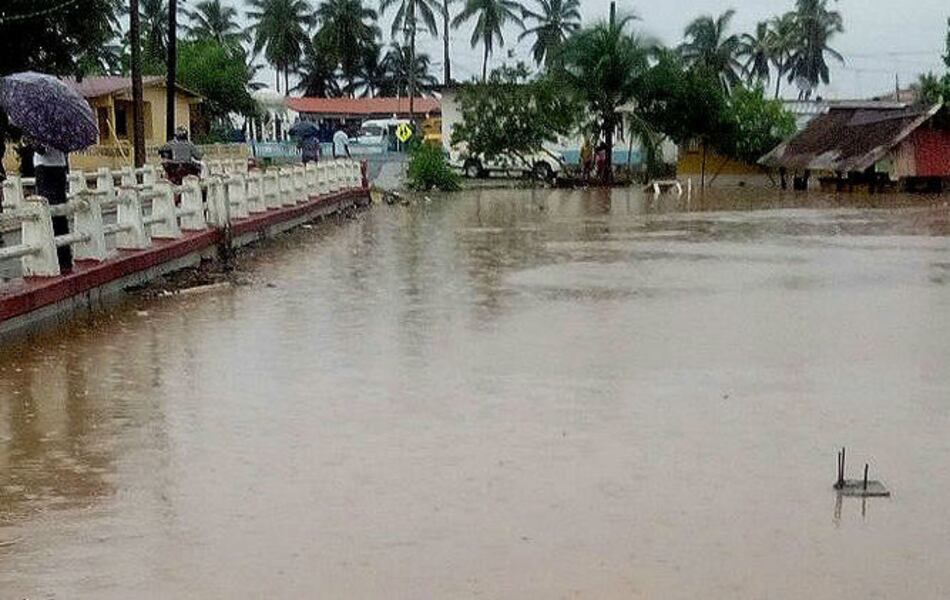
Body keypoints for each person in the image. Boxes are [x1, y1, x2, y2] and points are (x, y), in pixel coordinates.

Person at [33, 142, 71, 272]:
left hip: (44, 169)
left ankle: (51, 256)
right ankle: (65, 258)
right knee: (60, 213)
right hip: (60, 167)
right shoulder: (62, 128)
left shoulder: (40, 128)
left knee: (47, 213)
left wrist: (34, 141)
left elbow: (40, 150)